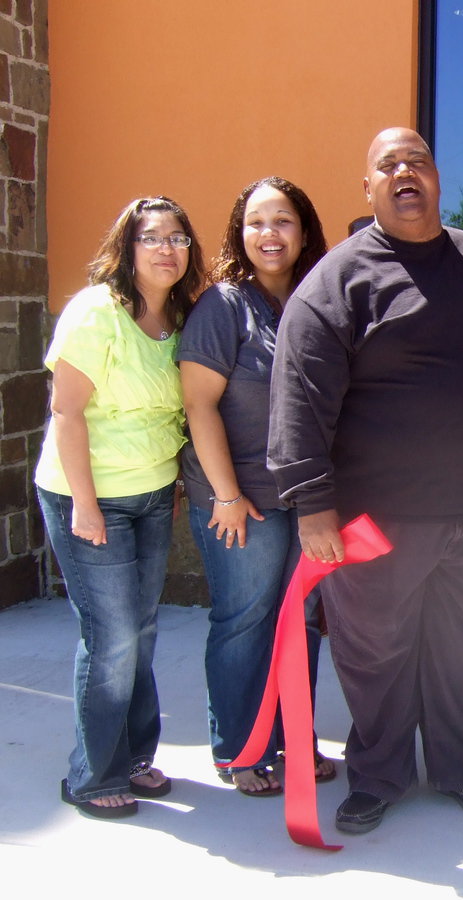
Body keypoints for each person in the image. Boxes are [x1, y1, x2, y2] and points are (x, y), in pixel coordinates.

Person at [268, 127, 463, 835]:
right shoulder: (339, 279)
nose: (405, 173)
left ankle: (457, 766)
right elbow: (298, 397)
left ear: (437, 177)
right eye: (388, 166)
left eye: (417, 161)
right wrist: (312, 507)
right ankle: (378, 774)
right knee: (374, 651)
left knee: (457, 645)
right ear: (368, 188)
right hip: (375, 518)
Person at [36, 196, 205, 818]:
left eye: (178, 237)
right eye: (152, 237)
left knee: (143, 630)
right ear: (127, 249)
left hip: (152, 493)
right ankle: (92, 774)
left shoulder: (183, 318)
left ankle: (134, 756)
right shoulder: (95, 313)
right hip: (89, 496)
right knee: (110, 639)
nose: (167, 248)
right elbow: (66, 411)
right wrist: (84, 504)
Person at [179, 177, 333, 796]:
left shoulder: (320, 297)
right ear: (239, 234)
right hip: (241, 501)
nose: (270, 234)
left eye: (283, 221)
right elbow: (198, 405)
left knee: (304, 622)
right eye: (256, 222)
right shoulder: (223, 306)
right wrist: (225, 495)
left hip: (312, 499)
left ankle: (295, 741)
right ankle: (241, 750)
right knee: (246, 621)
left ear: (304, 231)